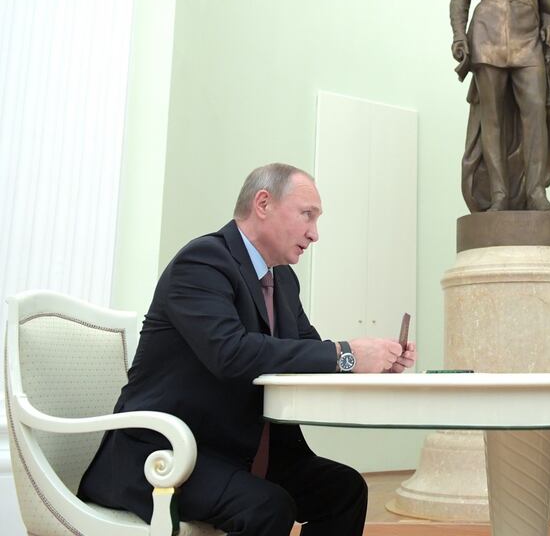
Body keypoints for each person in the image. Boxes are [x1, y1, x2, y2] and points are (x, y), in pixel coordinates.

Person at [79, 163, 415, 536]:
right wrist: (345, 354)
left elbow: (306, 352)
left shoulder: (283, 280)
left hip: (238, 449)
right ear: (263, 203)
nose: (315, 234)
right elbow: (232, 353)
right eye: (308, 215)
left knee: (344, 490)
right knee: (268, 506)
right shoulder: (202, 261)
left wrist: (370, 362)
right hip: (169, 454)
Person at [450, 0, 550, 212]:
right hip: (487, 32)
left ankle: (536, 192)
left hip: (527, 32)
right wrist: (459, 34)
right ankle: (499, 195)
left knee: (537, 112)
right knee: (491, 119)